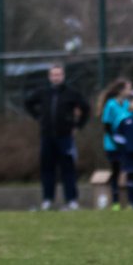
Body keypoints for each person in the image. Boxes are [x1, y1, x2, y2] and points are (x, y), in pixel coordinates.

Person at [24, 64, 89, 210]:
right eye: (53, 75)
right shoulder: (43, 93)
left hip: (65, 137)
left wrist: (77, 125)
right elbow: (28, 103)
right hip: (47, 136)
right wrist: (39, 117)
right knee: (47, 169)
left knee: (68, 169)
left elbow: (85, 108)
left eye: (58, 74)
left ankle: (71, 200)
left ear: (63, 76)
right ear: (49, 77)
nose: (56, 77)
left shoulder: (71, 93)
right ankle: (48, 199)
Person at [97, 78, 133, 210]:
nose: (130, 91)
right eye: (128, 88)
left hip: (126, 144)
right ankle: (116, 202)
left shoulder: (127, 104)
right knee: (116, 171)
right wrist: (116, 141)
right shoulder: (111, 105)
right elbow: (107, 125)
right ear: (121, 90)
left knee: (129, 170)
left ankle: (130, 201)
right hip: (112, 145)